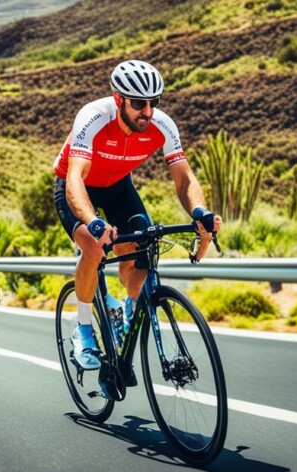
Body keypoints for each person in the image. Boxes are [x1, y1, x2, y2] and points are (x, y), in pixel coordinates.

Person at [52, 59, 222, 370]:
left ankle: (131, 307)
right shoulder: (92, 117)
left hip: (118, 187)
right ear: (118, 99)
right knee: (92, 246)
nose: (148, 111)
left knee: (141, 251)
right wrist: (93, 222)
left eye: (154, 102)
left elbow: (183, 178)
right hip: (77, 186)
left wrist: (199, 211)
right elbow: (75, 177)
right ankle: (84, 329)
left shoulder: (162, 125)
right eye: (139, 103)